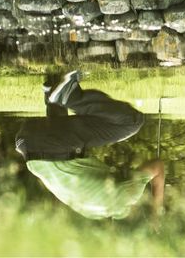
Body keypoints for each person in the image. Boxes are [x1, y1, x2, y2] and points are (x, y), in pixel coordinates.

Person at [15, 70, 165, 220]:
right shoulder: (89, 210)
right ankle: (52, 93)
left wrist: (156, 210)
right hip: (24, 142)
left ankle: (69, 94)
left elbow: (157, 167)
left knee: (132, 122)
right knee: (74, 149)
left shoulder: (121, 202)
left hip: (51, 145)